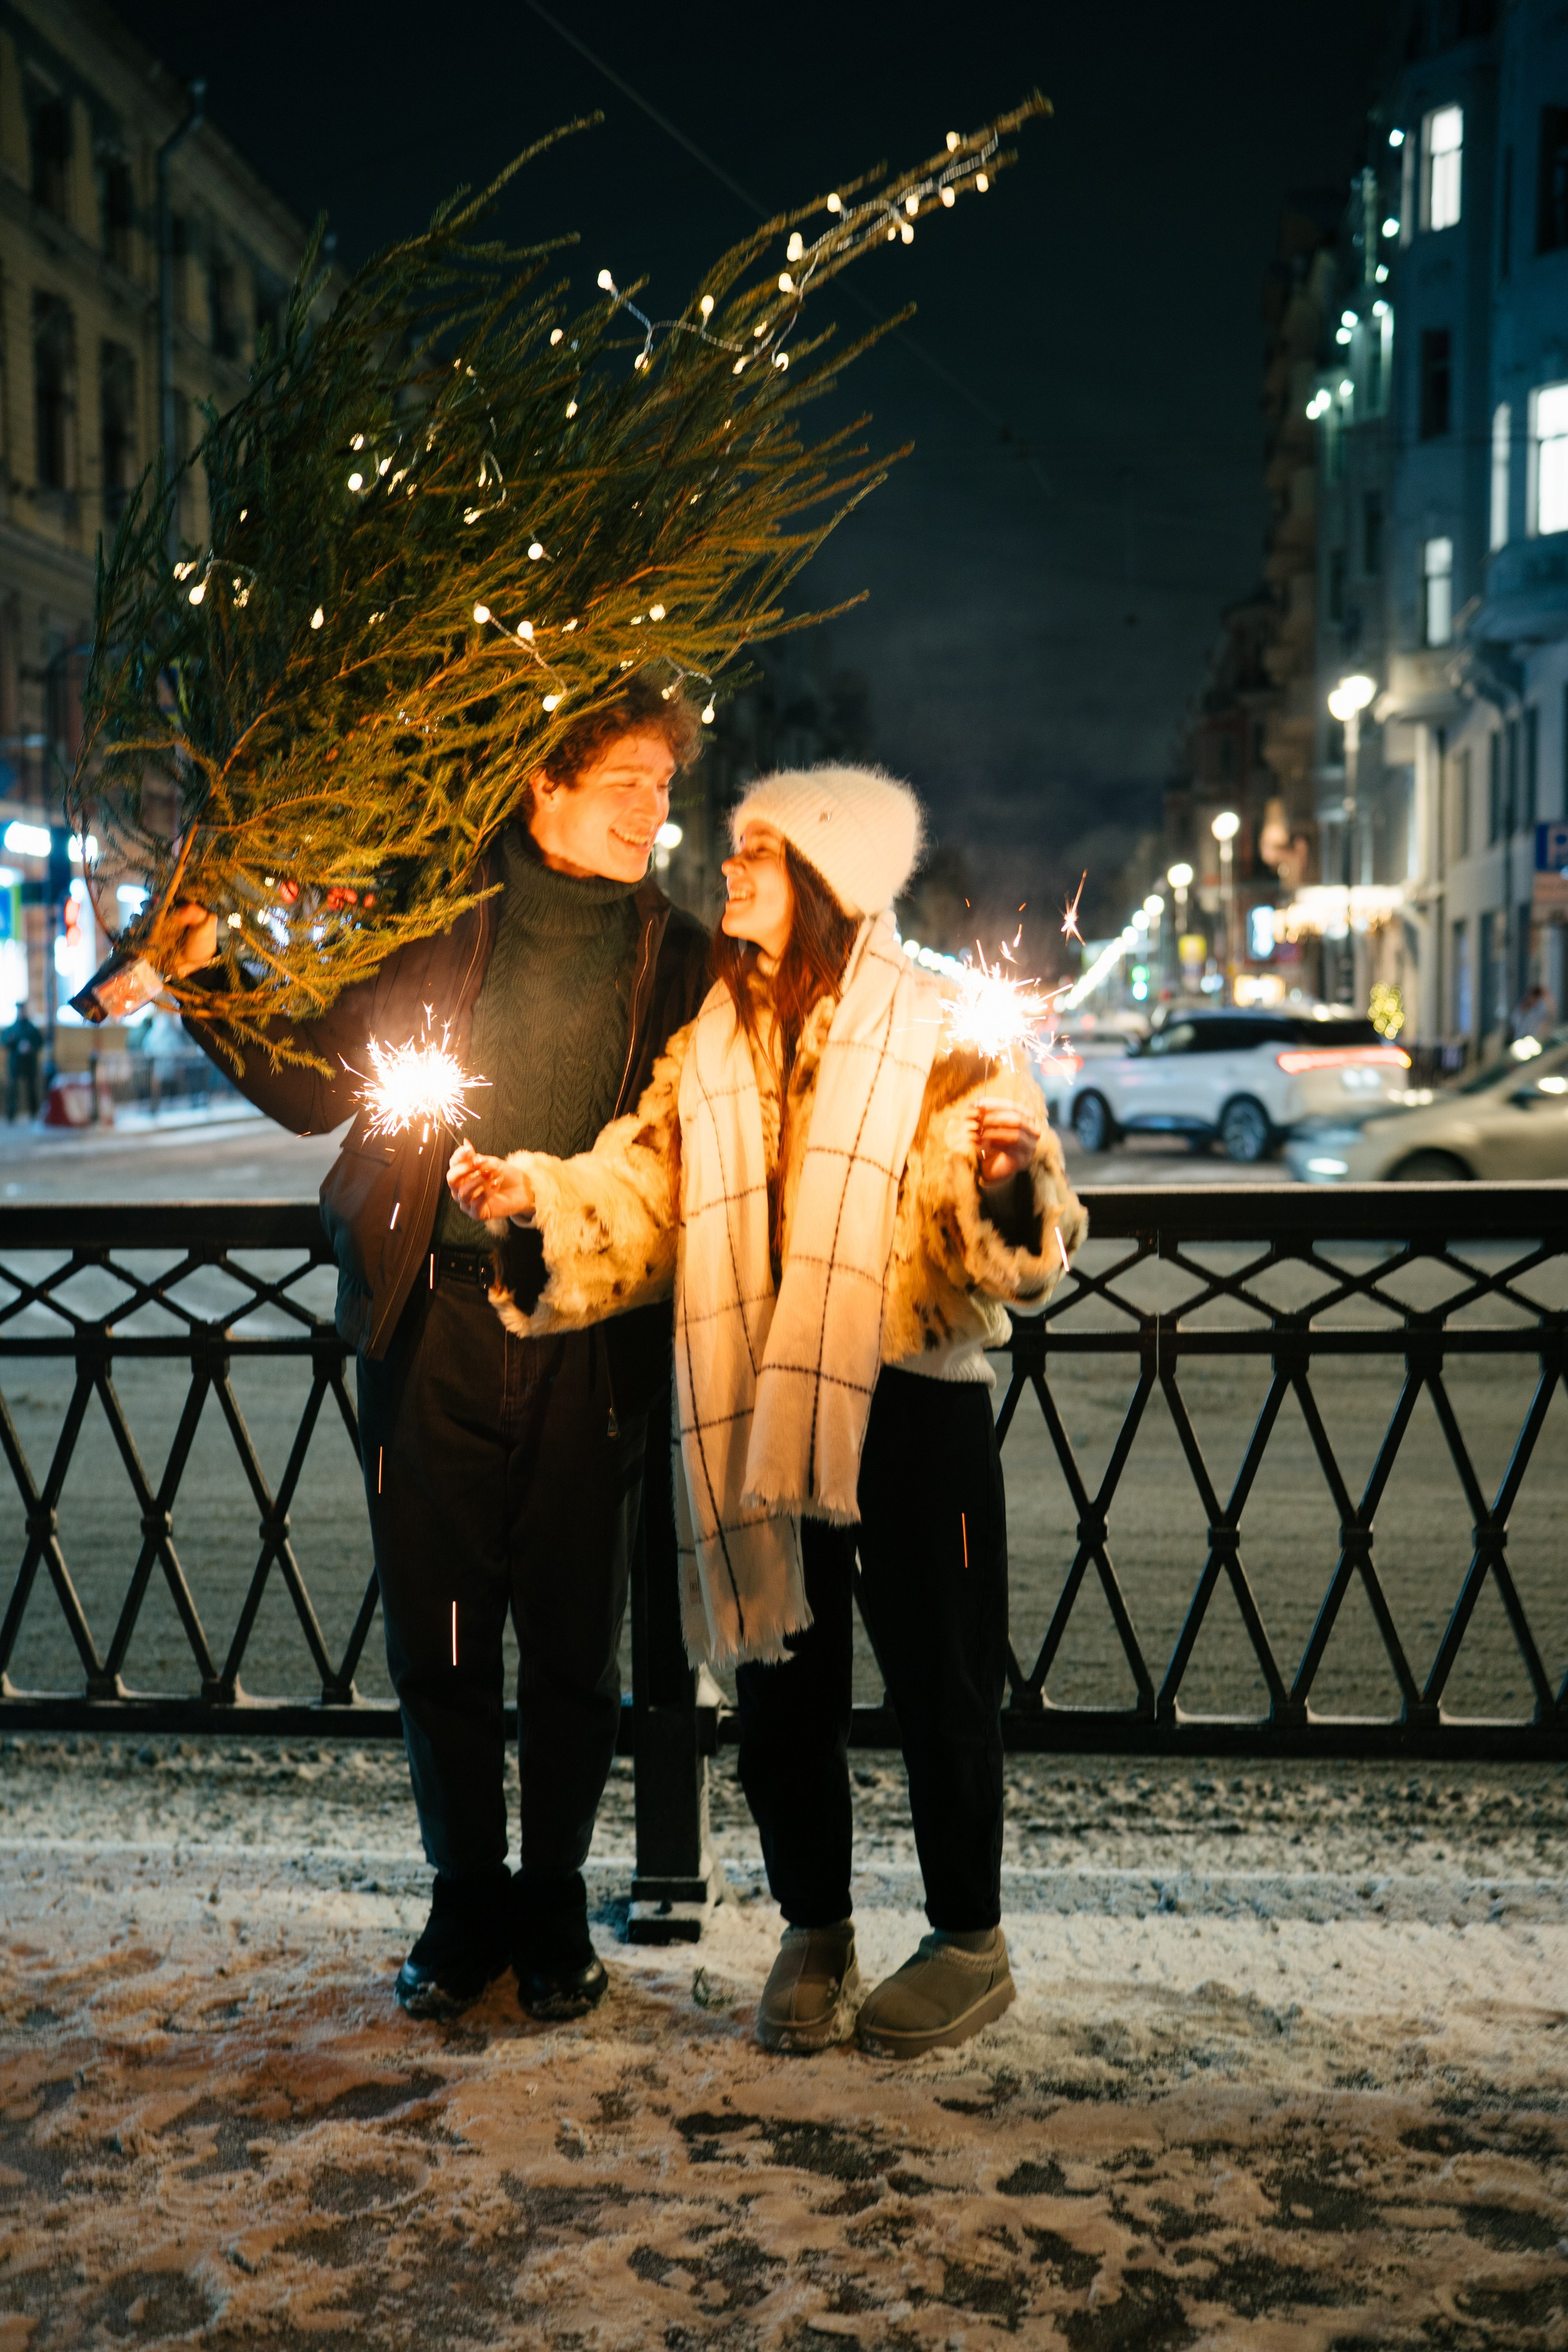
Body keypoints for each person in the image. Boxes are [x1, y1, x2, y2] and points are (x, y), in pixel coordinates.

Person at [449, 765, 1087, 2060]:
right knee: (783, 1686)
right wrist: (538, 1202)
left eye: (758, 853)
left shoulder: (942, 1034)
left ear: (827, 881)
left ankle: (969, 1939)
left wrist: (1008, 1185)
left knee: (942, 1684)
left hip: (912, 1404)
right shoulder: (716, 1041)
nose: (729, 869)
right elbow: (644, 1190)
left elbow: (1019, 1249)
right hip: (758, 1394)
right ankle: (816, 1927)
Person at [164, 675, 711, 2021]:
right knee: (440, 1634)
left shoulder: (681, 959)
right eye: (625, 781)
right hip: (432, 1317)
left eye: (661, 785)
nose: (652, 809)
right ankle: (464, 1896)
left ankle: (553, 1902)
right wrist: (200, 979)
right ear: (544, 783)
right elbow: (312, 1086)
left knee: (575, 1644)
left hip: (590, 1332)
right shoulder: (437, 926)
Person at [2, 1005, 42, 1121]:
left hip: (29, 1063)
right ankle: (11, 1115)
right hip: (16, 1063)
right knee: (13, 1089)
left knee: (31, 1089)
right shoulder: (12, 1028)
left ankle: (34, 1113)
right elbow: (4, 1040)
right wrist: (11, 1041)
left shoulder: (32, 1028)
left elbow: (39, 1041)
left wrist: (31, 1047)